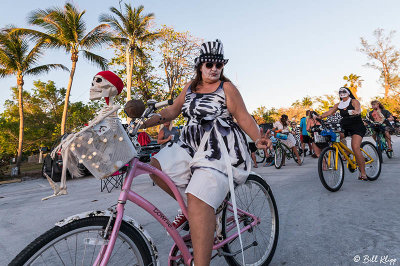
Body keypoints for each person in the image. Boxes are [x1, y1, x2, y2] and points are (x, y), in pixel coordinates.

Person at [141, 39, 268, 265]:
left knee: (199, 199)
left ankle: (202, 221)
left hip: (220, 147)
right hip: (190, 143)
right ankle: (202, 213)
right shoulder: (190, 87)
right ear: (200, 65)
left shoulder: (227, 88)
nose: (214, 69)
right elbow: (172, 110)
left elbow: (244, 117)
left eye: (219, 65)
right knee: (155, 168)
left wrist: (258, 139)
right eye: (209, 64)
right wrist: (146, 121)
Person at [319, 87, 367, 180]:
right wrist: (320, 116)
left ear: (348, 92)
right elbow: (329, 112)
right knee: (334, 139)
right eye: (340, 92)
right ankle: (347, 153)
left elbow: (358, 109)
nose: (342, 93)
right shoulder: (338, 104)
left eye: (344, 91)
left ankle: (363, 173)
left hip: (357, 126)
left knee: (355, 147)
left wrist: (356, 111)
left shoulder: (353, 101)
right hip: (345, 126)